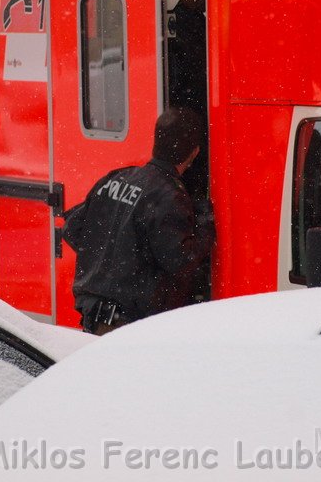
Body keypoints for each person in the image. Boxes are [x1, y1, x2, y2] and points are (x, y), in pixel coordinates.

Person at [61, 107, 216, 335]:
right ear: (194, 153)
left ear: (156, 142)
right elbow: (180, 259)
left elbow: (72, 227)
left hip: (94, 316)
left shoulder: (116, 178)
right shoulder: (169, 196)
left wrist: (112, 258)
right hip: (127, 324)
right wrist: (205, 221)